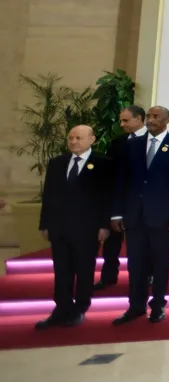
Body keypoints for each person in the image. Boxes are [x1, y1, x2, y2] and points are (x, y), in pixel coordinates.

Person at [111, 106, 169, 325]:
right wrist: (117, 213)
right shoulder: (132, 145)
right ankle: (136, 306)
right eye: (149, 116)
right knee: (135, 263)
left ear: (167, 120)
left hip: (163, 216)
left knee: (159, 262)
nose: (151, 120)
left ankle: (158, 306)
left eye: (156, 117)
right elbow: (121, 180)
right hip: (134, 215)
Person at [36, 125, 114, 329]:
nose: (73, 142)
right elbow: (48, 195)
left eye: (78, 138)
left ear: (92, 139)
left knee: (84, 269)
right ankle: (61, 308)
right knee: (61, 270)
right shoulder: (57, 163)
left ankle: (80, 308)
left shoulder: (103, 163)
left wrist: (104, 225)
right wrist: (45, 224)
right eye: (70, 138)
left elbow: (107, 198)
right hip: (59, 227)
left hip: (88, 228)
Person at [96, 105, 147, 291]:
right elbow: (110, 174)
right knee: (111, 243)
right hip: (118, 200)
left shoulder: (152, 141)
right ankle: (108, 276)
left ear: (139, 118)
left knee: (143, 245)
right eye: (121, 120)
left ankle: (145, 277)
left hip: (142, 202)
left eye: (126, 120)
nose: (122, 124)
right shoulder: (117, 143)